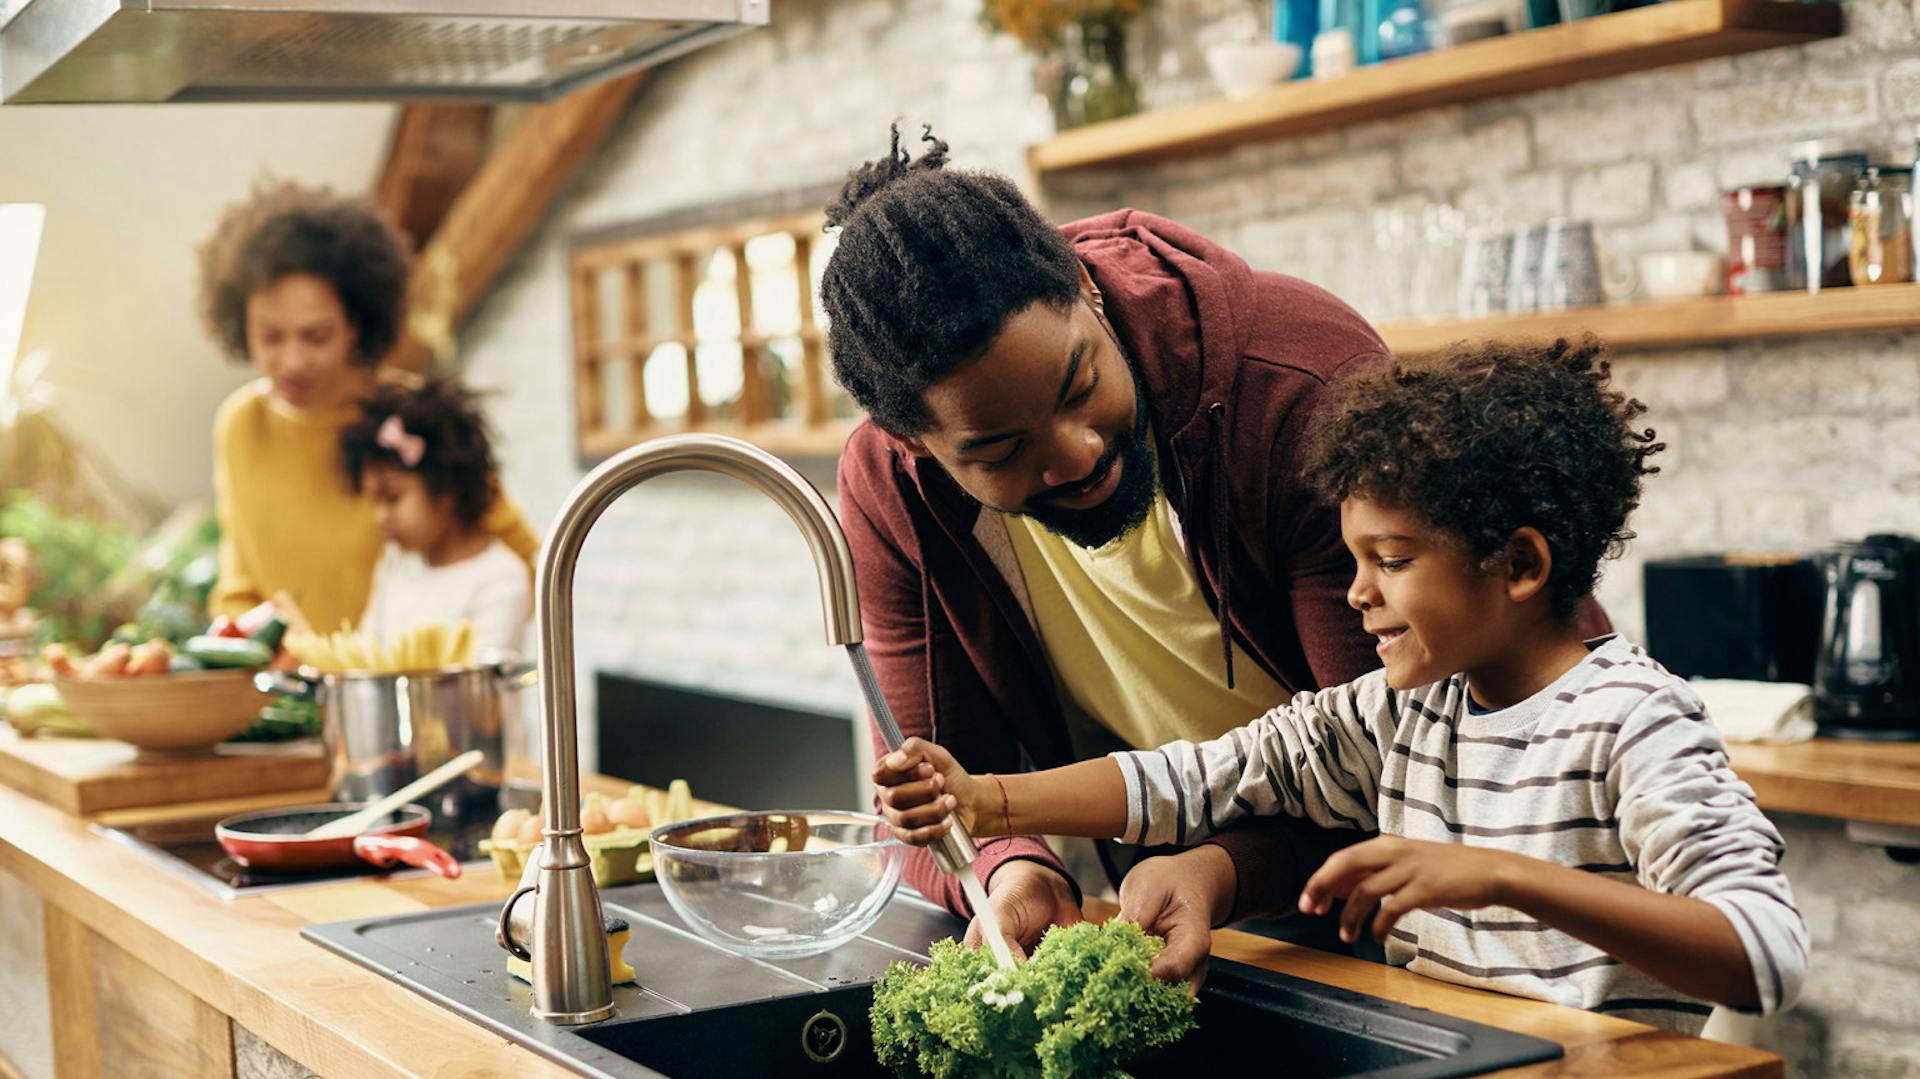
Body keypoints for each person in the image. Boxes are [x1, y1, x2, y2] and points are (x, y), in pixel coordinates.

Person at [874, 340, 1807, 1031]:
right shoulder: (1400, 714)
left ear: (1519, 564)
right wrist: (986, 800)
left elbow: (1763, 954)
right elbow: (1199, 777)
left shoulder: (1634, 720)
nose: (1357, 592)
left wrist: (1501, 877)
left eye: (1391, 561)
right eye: (1356, 558)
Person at [198, 179, 539, 631]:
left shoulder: (412, 419)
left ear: (357, 324)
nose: (292, 361)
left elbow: (526, 561)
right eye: (270, 337)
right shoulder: (242, 426)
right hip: (287, 694)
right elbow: (239, 587)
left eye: (316, 336)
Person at [338, 377, 531, 656]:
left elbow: (477, 687)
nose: (380, 516)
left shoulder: (501, 579)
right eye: (375, 502)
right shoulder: (395, 561)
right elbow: (367, 651)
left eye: (393, 498)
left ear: (447, 491)